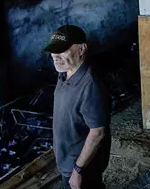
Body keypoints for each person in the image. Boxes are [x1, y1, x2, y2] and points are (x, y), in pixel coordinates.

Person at [44, 25, 111, 189]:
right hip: (68, 160)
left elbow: (98, 132)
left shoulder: (91, 85)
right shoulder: (64, 73)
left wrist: (78, 171)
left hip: (82, 168)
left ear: (82, 49)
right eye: (53, 51)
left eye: (62, 50)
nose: (55, 57)